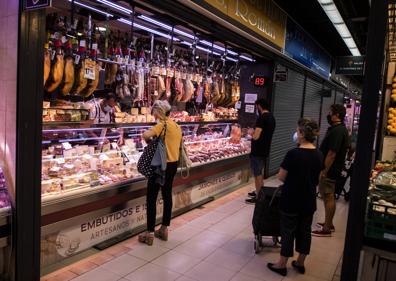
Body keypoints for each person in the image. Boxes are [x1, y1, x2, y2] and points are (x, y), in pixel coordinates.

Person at [267, 118, 324, 277]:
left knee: (287, 231)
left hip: (291, 199)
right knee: (305, 231)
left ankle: (281, 264)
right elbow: (318, 178)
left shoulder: (293, 154)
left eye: (297, 131)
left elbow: (281, 176)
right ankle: (300, 263)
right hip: (308, 201)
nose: (295, 133)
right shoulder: (319, 154)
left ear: (302, 134)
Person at [138, 100, 182, 246]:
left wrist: (151, 141)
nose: (154, 116)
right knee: (167, 195)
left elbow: (145, 135)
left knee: (151, 197)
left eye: (155, 113)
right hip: (172, 165)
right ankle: (164, 229)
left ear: (159, 112)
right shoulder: (176, 126)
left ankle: (149, 233)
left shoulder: (161, 125)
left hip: (160, 167)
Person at [312, 104, 349, 237]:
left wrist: (324, 170)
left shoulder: (338, 131)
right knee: (329, 196)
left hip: (330, 169)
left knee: (328, 197)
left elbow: (332, 153)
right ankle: (329, 223)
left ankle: (327, 228)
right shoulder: (339, 129)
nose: (328, 114)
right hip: (333, 168)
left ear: (337, 115)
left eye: (330, 112)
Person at [245, 98, 276, 204]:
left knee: (257, 174)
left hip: (257, 151)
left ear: (259, 106)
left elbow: (256, 136)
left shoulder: (262, 118)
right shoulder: (272, 117)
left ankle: (258, 197)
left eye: (256, 106)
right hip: (265, 149)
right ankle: (260, 192)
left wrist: (250, 133)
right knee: (260, 172)